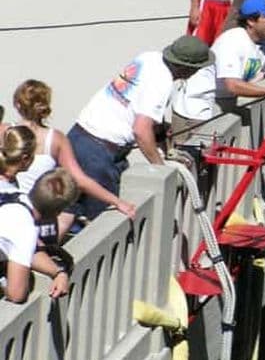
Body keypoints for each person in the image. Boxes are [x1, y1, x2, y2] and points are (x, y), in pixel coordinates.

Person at [67, 35, 214, 224]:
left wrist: (161, 137)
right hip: (99, 153)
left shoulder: (149, 58)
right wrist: (160, 168)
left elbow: (140, 106)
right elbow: (141, 131)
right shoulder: (162, 82)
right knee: (102, 223)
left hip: (78, 137)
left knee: (67, 210)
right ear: (189, 68)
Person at [2, 80, 136, 238]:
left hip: (5, 207)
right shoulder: (55, 139)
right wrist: (118, 202)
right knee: (69, 211)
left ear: (17, 104)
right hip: (38, 217)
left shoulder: (5, 131)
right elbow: (80, 180)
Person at [172, 0, 265, 140]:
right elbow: (232, 85)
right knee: (188, 159)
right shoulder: (232, 42)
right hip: (194, 109)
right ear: (251, 21)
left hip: (221, 106)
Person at [0, 128, 78, 303]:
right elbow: (16, 294)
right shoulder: (24, 227)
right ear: (56, 213)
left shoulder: (10, 193)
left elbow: (28, 249)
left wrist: (57, 272)